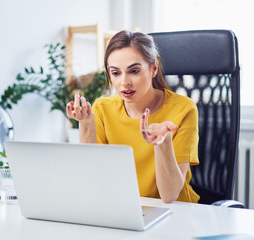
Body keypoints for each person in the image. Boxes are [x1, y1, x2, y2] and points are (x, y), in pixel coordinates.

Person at [66, 30, 200, 203]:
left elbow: (169, 195)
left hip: (175, 212)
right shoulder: (102, 109)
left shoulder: (183, 109)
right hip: (124, 208)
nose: (124, 82)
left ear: (153, 69)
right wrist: (85, 124)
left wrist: (163, 143)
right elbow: (90, 181)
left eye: (134, 71)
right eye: (116, 73)